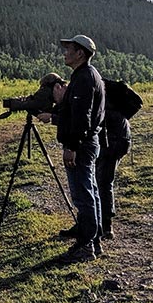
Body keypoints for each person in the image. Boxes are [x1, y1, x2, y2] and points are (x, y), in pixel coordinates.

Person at [48, 34, 105, 261]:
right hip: (89, 143)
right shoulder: (88, 76)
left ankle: (85, 246)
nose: (65, 53)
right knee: (90, 193)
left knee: (83, 196)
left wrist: (71, 146)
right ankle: (95, 240)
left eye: (69, 49)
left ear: (80, 53)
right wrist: (63, 104)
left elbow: (82, 118)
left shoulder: (83, 78)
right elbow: (76, 112)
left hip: (81, 145)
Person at [96, 102, 132, 241]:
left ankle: (105, 226)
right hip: (120, 140)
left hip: (112, 142)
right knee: (104, 182)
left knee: (103, 182)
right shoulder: (104, 95)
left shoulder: (90, 94)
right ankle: (102, 223)